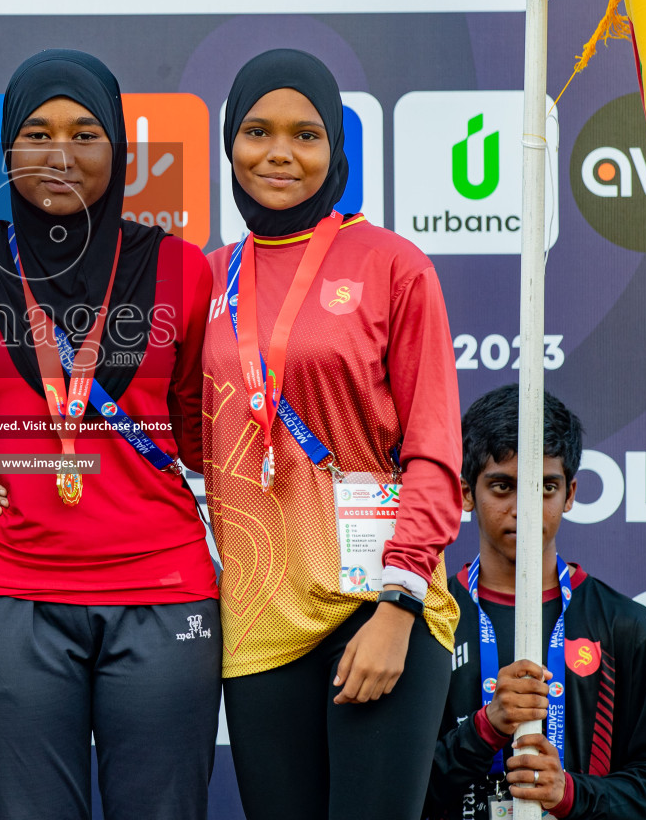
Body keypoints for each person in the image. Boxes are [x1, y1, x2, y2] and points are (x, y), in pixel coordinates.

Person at [0, 49, 221, 820]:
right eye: (36, 133)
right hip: (16, 592)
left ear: (120, 151)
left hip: (163, 590)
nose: (60, 154)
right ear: (7, 150)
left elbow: (201, 427)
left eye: (84, 133)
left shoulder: (179, 269)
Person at [202, 49, 463, 820]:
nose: (279, 152)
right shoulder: (209, 277)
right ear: (229, 143)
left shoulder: (392, 264)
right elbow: (180, 433)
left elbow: (435, 449)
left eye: (306, 134)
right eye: (256, 131)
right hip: (258, 619)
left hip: (381, 608)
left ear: (335, 148)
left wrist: (398, 610)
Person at [423, 384, 646, 819]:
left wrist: (569, 794)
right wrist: (484, 729)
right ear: (467, 493)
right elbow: (398, 787)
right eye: (502, 486)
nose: (524, 507)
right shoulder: (429, 620)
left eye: (544, 487)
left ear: (570, 494)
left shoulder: (625, 625)